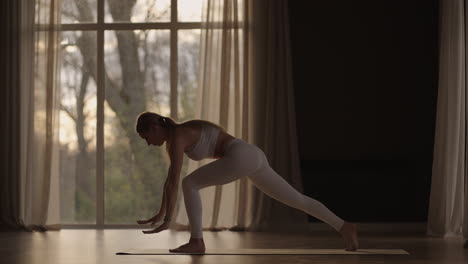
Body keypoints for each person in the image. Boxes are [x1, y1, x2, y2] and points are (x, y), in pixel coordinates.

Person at [135, 111, 359, 253]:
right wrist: (160, 214)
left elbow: (174, 181)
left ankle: (196, 241)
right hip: (252, 155)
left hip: (241, 156)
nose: (148, 143)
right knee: (297, 199)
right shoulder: (179, 134)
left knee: (189, 184)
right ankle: (343, 226)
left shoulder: (178, 135)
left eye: (146, 138)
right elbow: (169, 181)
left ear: (154, 128)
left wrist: (167, 219)